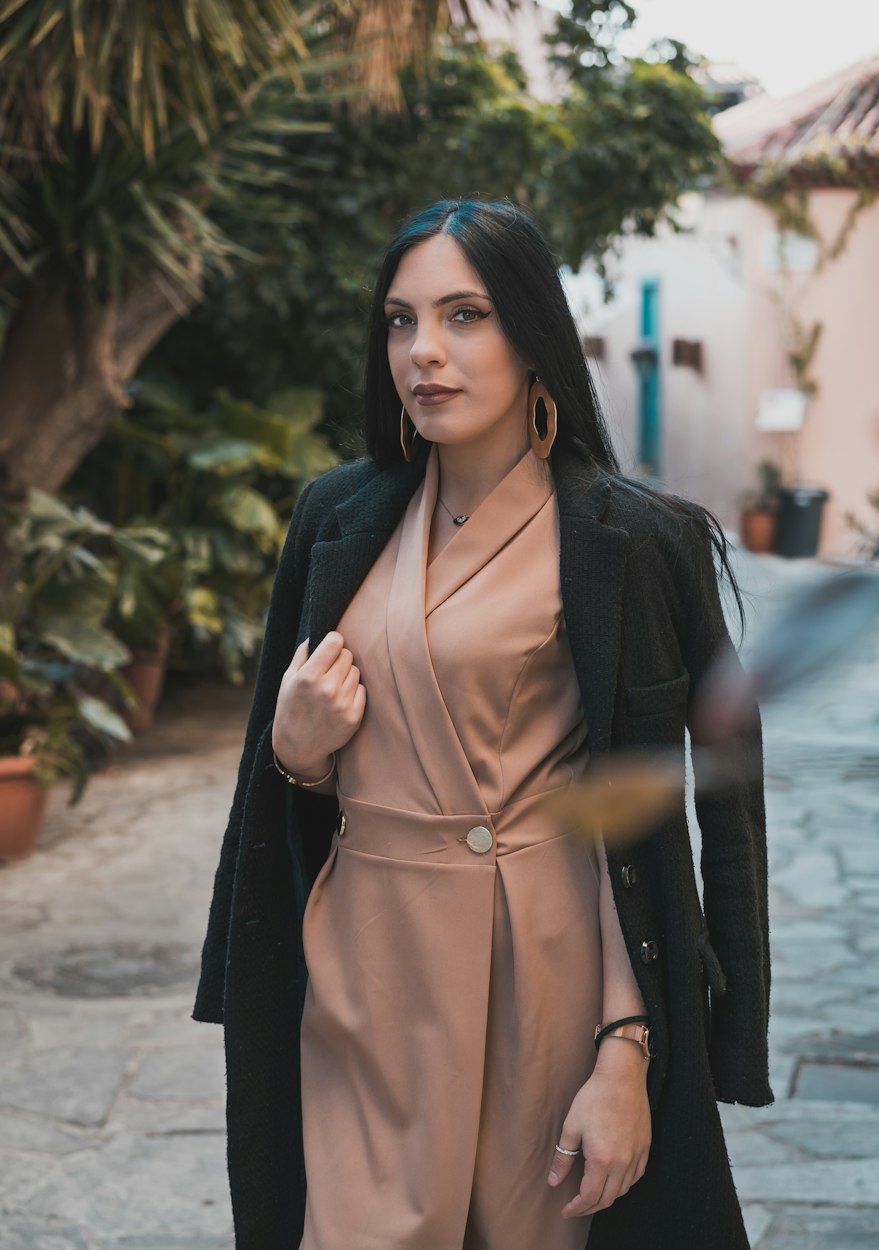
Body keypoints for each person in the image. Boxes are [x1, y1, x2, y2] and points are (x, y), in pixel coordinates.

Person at [192, 199, 772, 1250]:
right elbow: (280, 770)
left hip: (544, 973)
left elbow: (687, 800)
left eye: (465, 316)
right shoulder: (338, 515)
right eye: (402, 321)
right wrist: (297, 746)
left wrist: (628, 1048)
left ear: (533, 333)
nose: (425, 352)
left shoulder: (630, 540)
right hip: (365, 967)